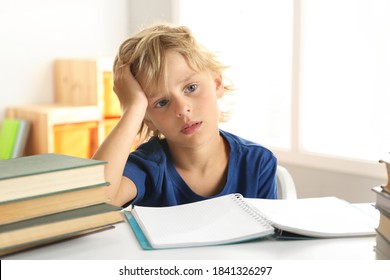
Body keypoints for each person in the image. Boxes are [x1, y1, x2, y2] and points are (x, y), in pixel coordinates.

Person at [92, 24, 278, 207]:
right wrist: (133, 108)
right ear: (148, 119)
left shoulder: (258, 163)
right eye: (162, 102)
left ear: (217, 83)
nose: (182, 109)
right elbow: (95, 201)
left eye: (191, 88)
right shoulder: (149, 167)